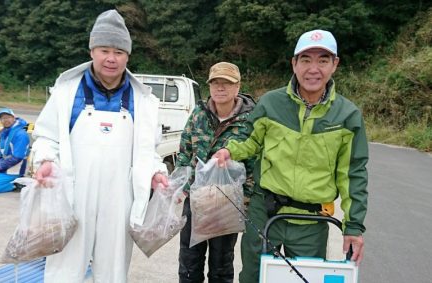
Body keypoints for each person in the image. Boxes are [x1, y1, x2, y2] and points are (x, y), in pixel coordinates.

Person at [214, 29, 369, 283]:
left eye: (323, 60)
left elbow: (353, 174)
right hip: (265, 213)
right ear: (294, 64)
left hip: (311, 223)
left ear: (335, 65)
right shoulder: (270, 103)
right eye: (306, 59)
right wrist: (229, 149)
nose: (313, 69)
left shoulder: (347, 116)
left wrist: (353, 227)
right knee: (251, 278)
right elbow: (250, 141)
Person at [30, 9, 168, 283]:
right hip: (72, 197)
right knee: (63, 271)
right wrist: (44, 161)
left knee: (114, 272)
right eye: (104, 50)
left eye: (118, 51)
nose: (111, 58)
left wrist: (156, 172)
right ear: (92, 50)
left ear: (127, 56)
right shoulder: (67, 93)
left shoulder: (142, 101)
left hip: (120, 201)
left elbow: (147, 150)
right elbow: (45, 138)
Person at [176, 62, 256, 282]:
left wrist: (245, 200)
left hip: (226, 203)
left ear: (238, 86)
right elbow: (184, 152)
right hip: (196, 200)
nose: (221, 88)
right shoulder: (198, 114)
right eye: (216, 83)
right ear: (209, 86)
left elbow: (254, 163)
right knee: (189, 262)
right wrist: (182, 189)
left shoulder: (250, 120)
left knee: (221, 265)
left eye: (227, 83)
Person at [0, 108, 30, 194]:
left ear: (14, 118)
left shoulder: (21, 134)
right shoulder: (5, 133)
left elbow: (17, 157)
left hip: (14, 170)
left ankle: (15, 184)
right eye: (3, 118)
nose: (5, 120)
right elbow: (1, 153)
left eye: (8, 117)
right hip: (4, 168)